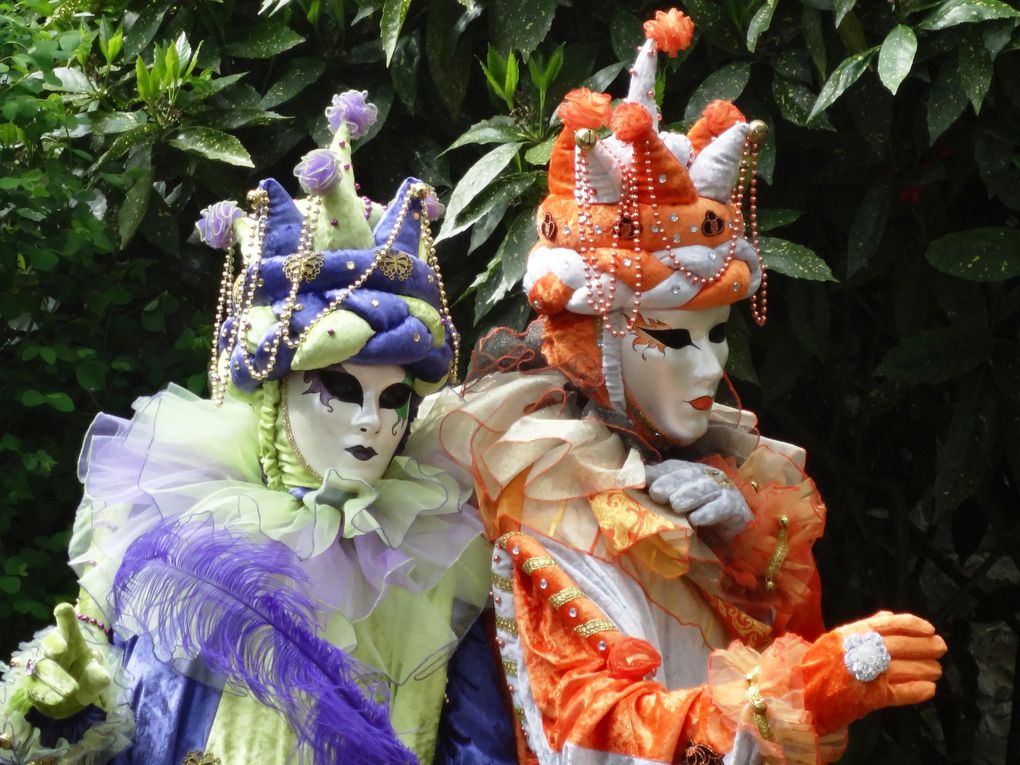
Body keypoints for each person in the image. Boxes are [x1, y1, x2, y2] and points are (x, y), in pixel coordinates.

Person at [431, 9, 946, 764]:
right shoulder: (548, 497)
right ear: (594, 336)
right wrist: (797, 695)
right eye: (671, 336)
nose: (708, 368)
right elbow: (593, 728)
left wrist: (740, 546)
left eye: (717, 334)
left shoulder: (726, 472)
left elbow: (769, 642)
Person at [0, 91, 489, 765]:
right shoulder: (165, 510)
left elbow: (480, 741)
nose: (371, 420)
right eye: (339, 389)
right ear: (274, 393)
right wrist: (62, 703)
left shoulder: (439, 552)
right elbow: (82, 722)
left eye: (395, 397)